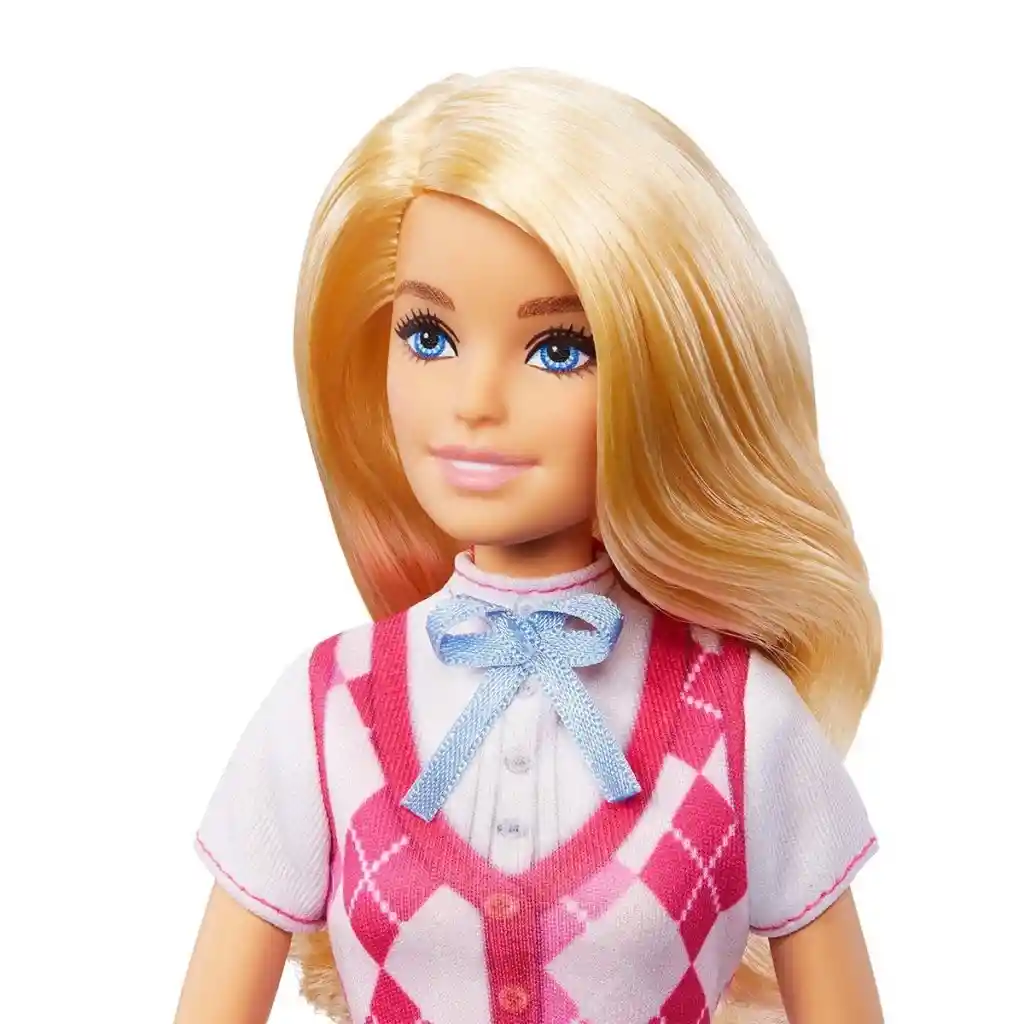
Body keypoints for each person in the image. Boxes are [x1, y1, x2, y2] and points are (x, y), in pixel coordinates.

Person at [174, 68, 884, 1024]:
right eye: (430, 336)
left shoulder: (740, 720)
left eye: (560, 349)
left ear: (663, 377)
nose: (475, 402)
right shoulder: (330, 710)